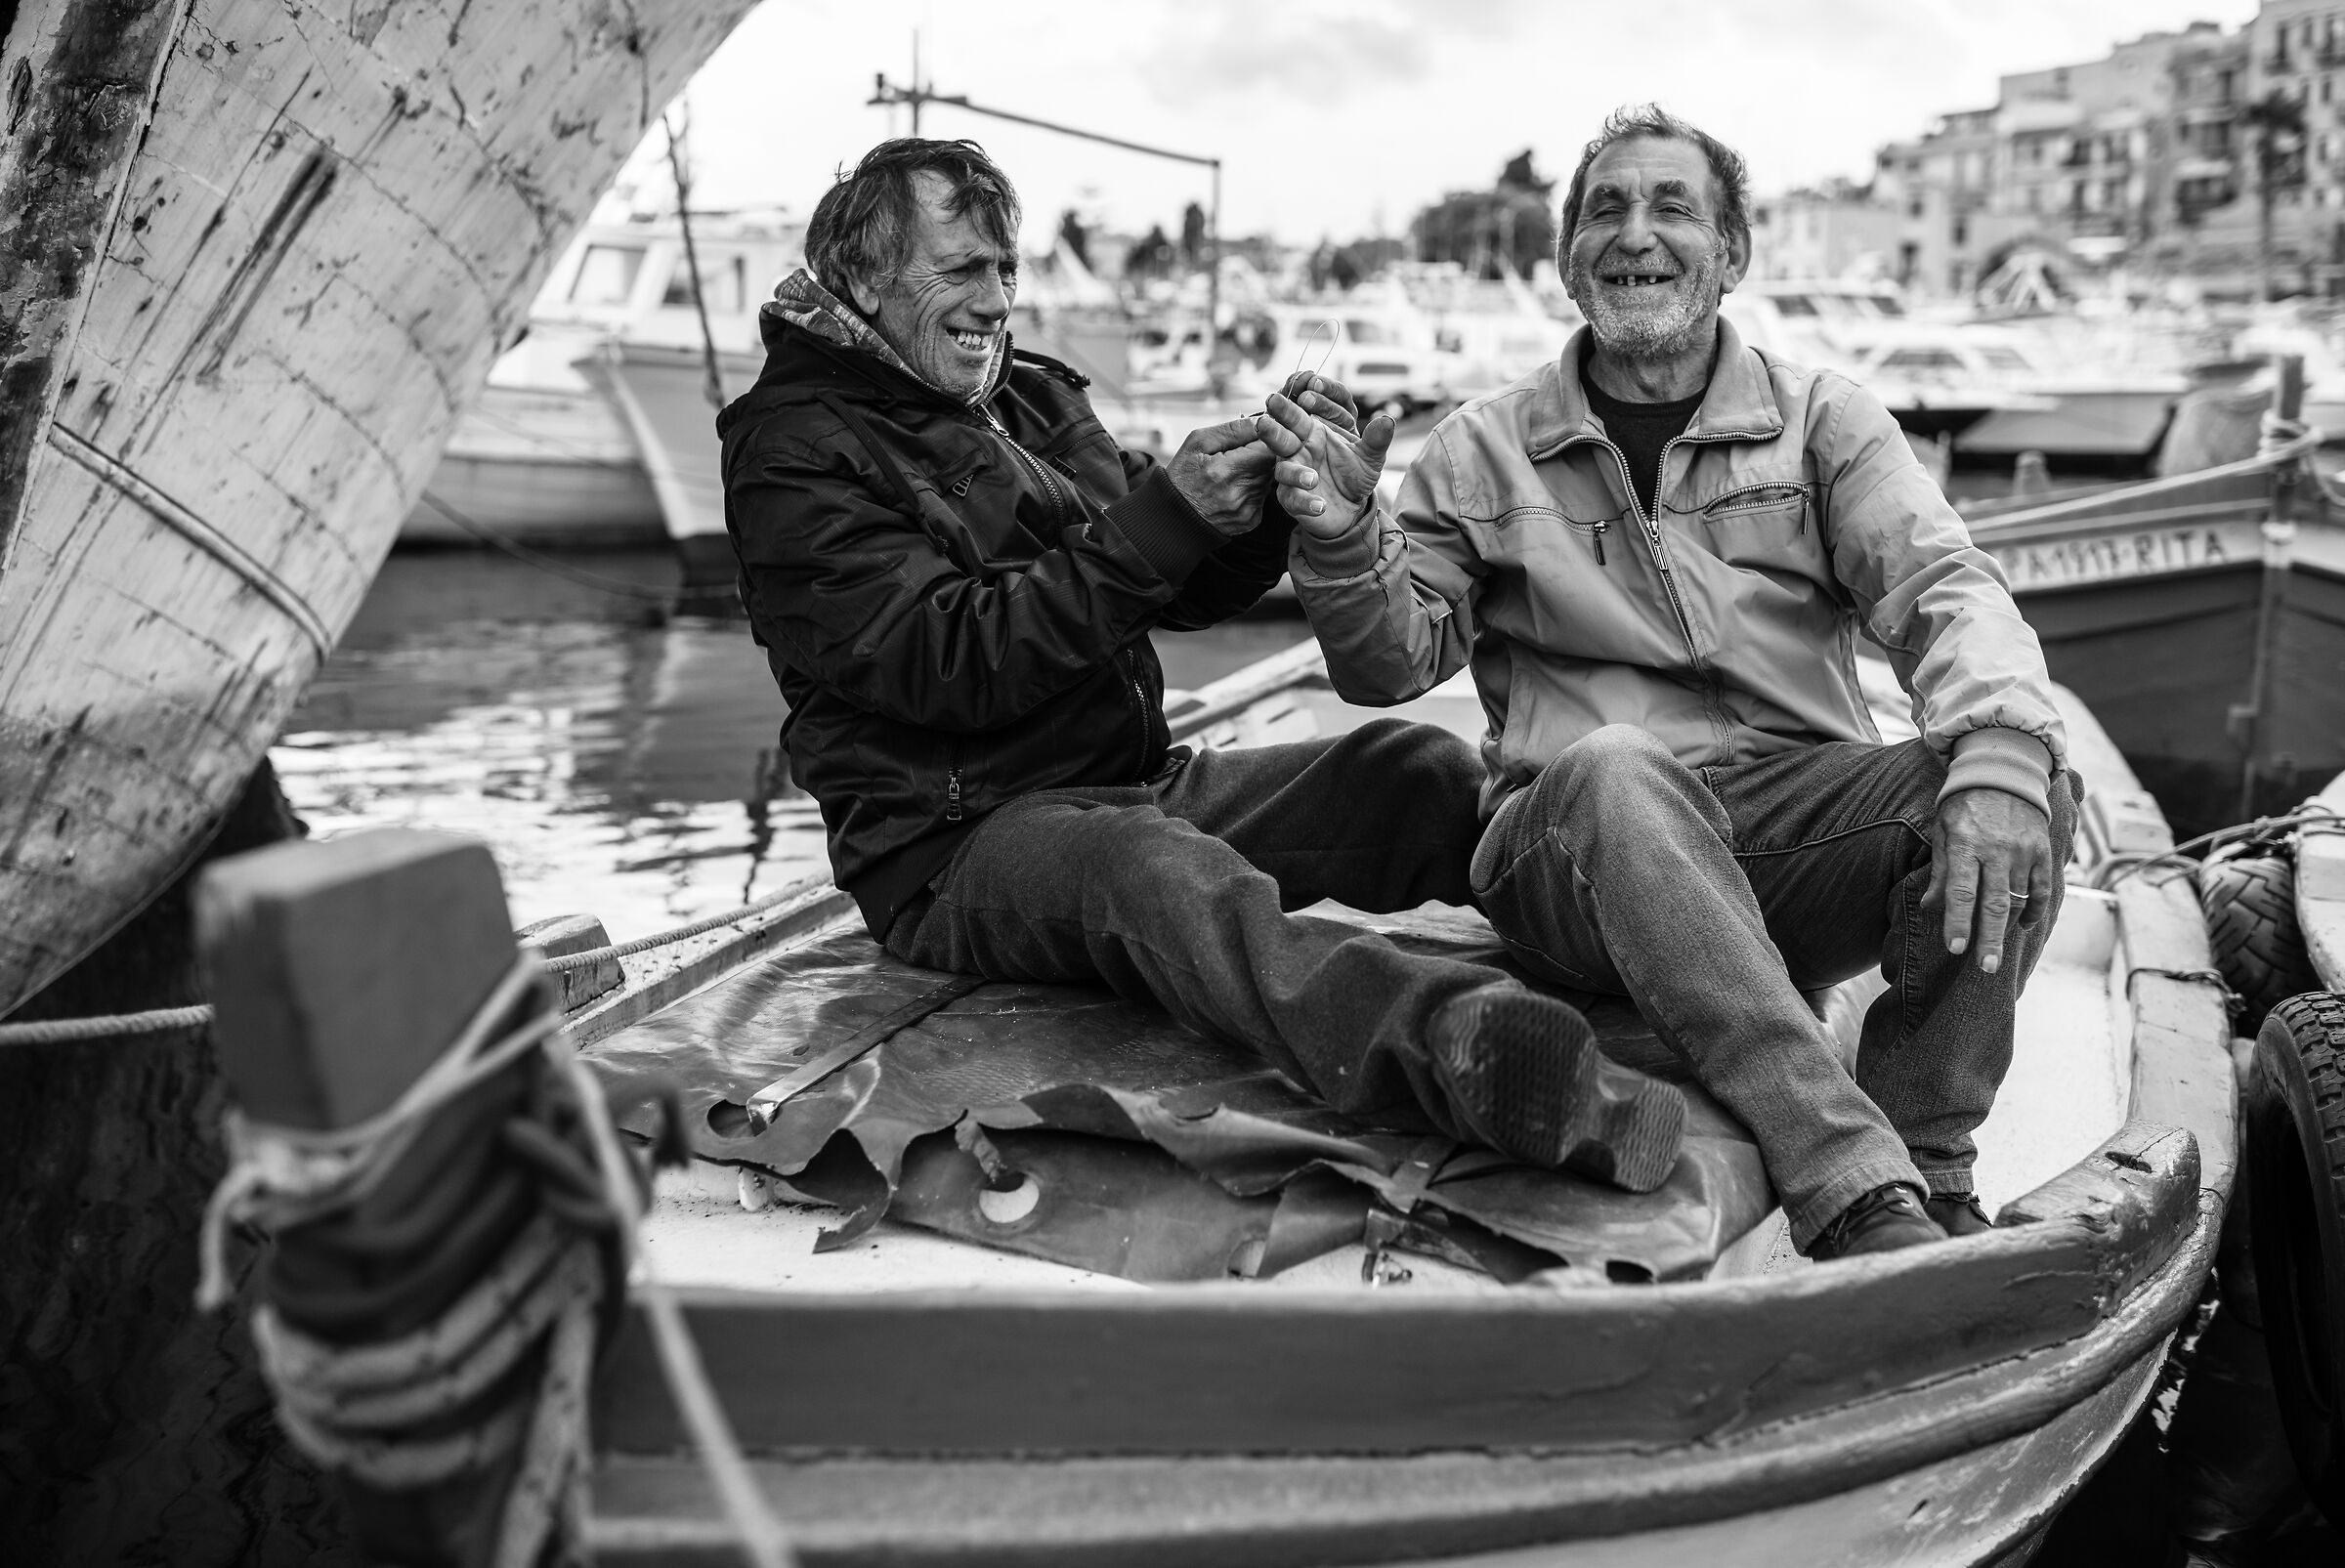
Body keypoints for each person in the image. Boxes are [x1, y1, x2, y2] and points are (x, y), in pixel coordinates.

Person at [716, 138, 1687, 1193]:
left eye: (1005, 268)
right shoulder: (792, 447)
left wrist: (1275, 500)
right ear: (863, 280)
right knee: (1158, 874)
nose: (995, 300)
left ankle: (1670, 935)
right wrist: (1165, 519)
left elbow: (1177, 589)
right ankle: (1478, 1056)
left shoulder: (1027, 395)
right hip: (953, 846)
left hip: (1131, 784)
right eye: (960, 271)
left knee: (1411, 771)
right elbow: (944, 662)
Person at [1262, 105, 2079, 1260]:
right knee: (1618, 768)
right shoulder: (1480, 449)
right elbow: (1388, 664)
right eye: (1606, 209)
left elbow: (1944, 584)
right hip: (1570, 859)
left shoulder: (1823, 422)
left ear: (1731, 253)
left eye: (1672, 208)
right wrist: (1345, 538)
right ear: (1569, 264)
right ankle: (1854, 1187)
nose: (1635, 232)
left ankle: (1929, 1161)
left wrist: (1998, 753)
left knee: (2020, 781)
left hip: (1783, 841)